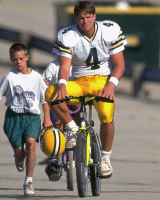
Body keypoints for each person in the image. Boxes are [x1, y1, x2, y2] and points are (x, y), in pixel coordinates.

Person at [45, 0, 127, 178]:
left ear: (94, 16)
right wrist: (62, 85)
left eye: (88, 17)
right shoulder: (67, 34)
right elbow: (65, 66)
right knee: (50, 93)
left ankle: (105, 159)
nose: (85, 21)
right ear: (76, 18)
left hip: (102, 82)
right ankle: (72, 128)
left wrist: (111, 86)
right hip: (79, 81)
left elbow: (119, 64)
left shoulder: (109, 29)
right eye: (81, 18)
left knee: (107, 117)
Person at [0, 43, 53, 196]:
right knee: (21, 153)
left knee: (31, 145)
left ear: (27, 57)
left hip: (32, 117)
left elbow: (44, 100)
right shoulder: (9, 78)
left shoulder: (37, 77)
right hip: (13, 119)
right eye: (15, 60)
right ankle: (19, 157)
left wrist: (47, 118)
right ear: (11, 60)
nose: (19, 62)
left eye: (21, 59)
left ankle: (28, 182)